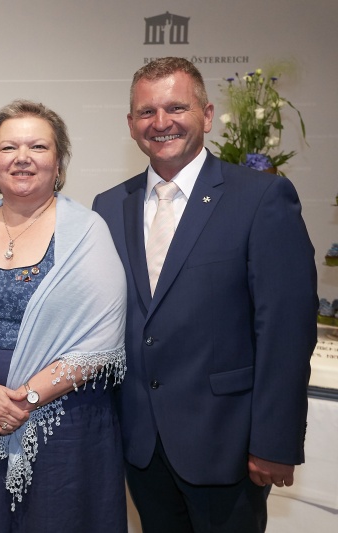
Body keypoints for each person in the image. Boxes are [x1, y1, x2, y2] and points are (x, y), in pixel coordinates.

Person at [92, 57, 317, 532]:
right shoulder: (109, 206)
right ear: (131, 124)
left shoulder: (261, 198)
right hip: (141, 443)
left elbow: (285, 329)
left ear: (208, 115)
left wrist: (274, 442)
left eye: (176, 107)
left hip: (227, 445)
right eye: (146, 112)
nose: (161, 123)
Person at [0, 100, 128, 532]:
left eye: (38, 146)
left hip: (64, 424)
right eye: (8, 147)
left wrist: (25, 399)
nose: (22, 157)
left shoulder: (89, 233)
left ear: (59, 161)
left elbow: (102, 340)